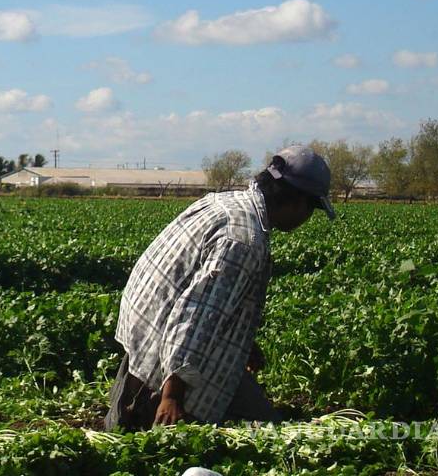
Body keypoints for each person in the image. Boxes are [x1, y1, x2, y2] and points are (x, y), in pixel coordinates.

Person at [104, 146, 335, 431]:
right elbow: (196, 315)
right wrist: (172, 394)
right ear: (298, 201)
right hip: (164, 351)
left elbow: (209, 297)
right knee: (147, 439)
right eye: (312, 210)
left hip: (147, 330)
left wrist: (242, 342)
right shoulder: (243, 239)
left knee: (263, 420)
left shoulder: (227, 203)